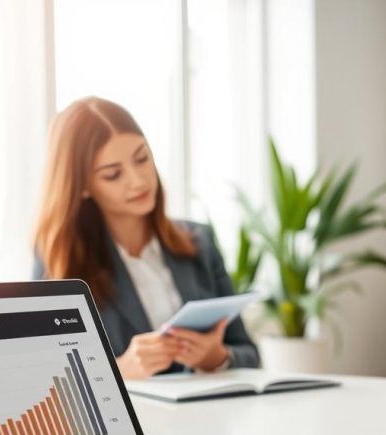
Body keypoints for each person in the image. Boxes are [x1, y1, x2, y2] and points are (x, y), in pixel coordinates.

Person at [32, 96, 259, 379]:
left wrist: (216, 357)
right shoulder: (60, 260)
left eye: (142, 159)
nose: (139, 180)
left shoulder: (199, 242)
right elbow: (48, 377)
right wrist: (121, 369)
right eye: (113, 174)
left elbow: (249, 355)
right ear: (82, 187)